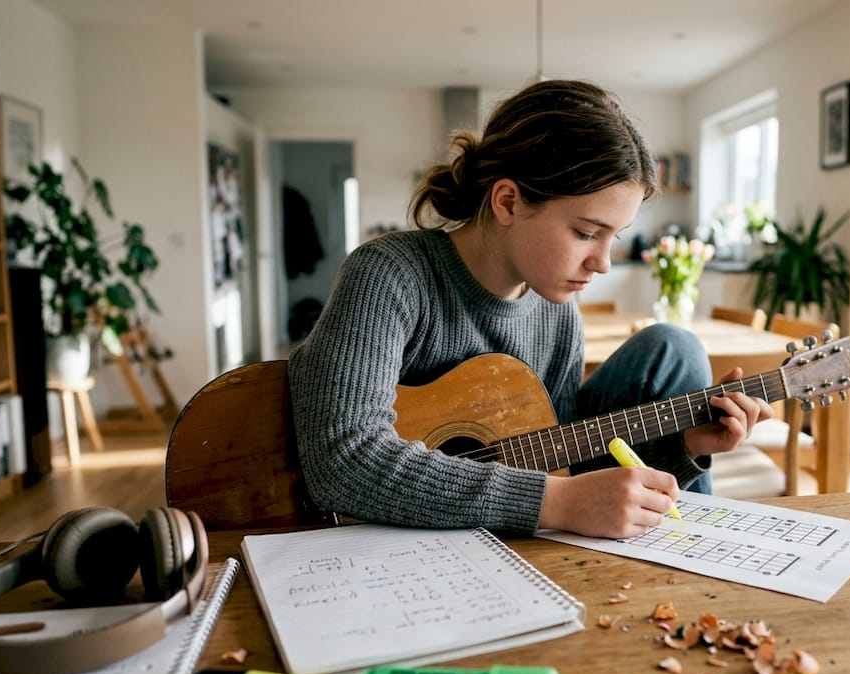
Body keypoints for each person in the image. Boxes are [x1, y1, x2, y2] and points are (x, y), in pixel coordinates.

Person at [288, 79, 771, 539]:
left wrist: (684, 444)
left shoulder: (557, 316)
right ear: (507, 201)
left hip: (485, 533)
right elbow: (344, 460)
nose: (602, 263)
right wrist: (555, 504)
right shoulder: (390, 274)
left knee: (675, 347)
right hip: (353, 538)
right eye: (586, 233)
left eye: (613, 238)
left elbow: (553, 462)